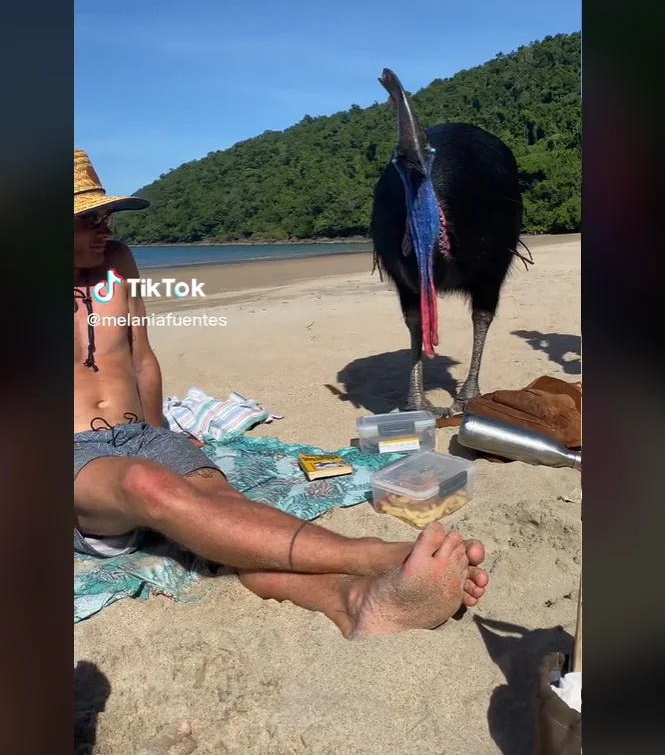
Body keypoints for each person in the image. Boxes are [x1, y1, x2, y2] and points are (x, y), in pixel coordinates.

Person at [73, 149, 489, 638]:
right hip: (77, 457)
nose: (106, 229)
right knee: (147, 485)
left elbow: (141, 358)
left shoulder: (118, 263)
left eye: (107, 216)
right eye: (90, 220)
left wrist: (162, 435)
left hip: (141, 436)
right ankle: (377, 555)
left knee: (224, 518)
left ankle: (352, 602)